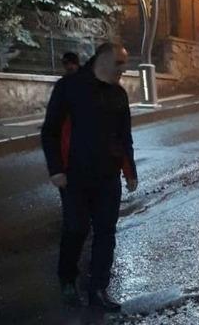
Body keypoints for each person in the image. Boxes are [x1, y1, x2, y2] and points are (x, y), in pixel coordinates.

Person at [41, 42, 138, 311]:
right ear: (103, 60)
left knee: (106, 233)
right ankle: (68, 278)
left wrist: (130, 172)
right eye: (119, 63)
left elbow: (124, 136)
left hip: (108, 177)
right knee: (76, 228)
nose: (123, 68)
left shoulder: (118, 94)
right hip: (74, 177)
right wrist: (56, 169)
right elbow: (49, 131)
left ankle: (98, 289)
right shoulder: (70, 87)